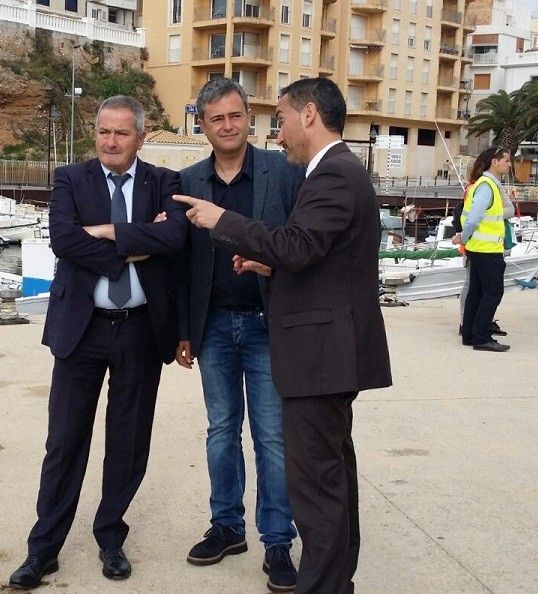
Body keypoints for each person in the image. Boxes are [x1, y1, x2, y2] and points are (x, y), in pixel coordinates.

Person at [174, 77, 392, 594]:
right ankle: (329, 577)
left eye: (284, 120)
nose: (280, 133)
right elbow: (317, 256)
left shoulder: (330, 174)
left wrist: (223, 221)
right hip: (300, 347)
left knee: (315, 484)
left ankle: (311, 573)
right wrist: (274, 267)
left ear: (310, 115)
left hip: (317, 355)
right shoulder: (336, 171)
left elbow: (296, 244)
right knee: (325, 480)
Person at [8, 95, 188, 590]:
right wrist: (132, 249)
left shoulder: (163, 182)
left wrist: (109, 232)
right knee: (64, 441)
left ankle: (111, 537)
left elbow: (174, 239)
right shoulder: (71, 178)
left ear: (140, 137)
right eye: (104, 132)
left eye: (122, 133)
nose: (110, 141)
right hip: (80, 330)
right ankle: (43, 549)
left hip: (138, 329)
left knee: (128, 444)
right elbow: (64, 241)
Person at [173, 78, 304, 593]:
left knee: (272, 436)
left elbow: (299, 243)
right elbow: (183, 265)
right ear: (201, 124)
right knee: (221, 430)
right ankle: (227, 526)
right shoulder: (188, 181)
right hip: (213, 328)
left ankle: (277, 541)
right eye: (216, 118)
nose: (227, 126)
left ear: (250, 117)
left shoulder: (282, 173)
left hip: (267, 324)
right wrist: (185, 329)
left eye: (235, 115)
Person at [453, 147, 512, 352]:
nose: (509, 164)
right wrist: (464, 236)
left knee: (476, 292)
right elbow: (474, 217)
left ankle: (469, 334)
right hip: (487, 249)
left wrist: (465, 238)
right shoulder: (487, 186)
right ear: (494, 162)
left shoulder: (483, 184)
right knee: (493, 292)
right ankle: (482, 337)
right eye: (506, 160)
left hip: (477, 248)